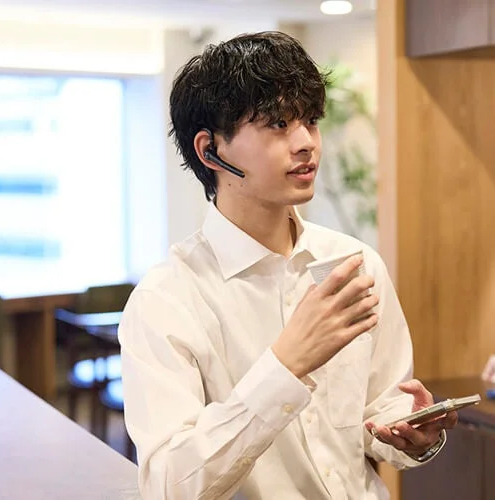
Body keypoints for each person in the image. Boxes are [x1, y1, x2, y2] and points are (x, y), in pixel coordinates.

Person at [117, 31, 457, 500]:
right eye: (278, 124)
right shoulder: (166, 300)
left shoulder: (355, 265)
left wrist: (414, 436)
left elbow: (379, 410)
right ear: (209, 150)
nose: (306, 144)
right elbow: (168, 485)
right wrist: (286, 364)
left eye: (311, 121)